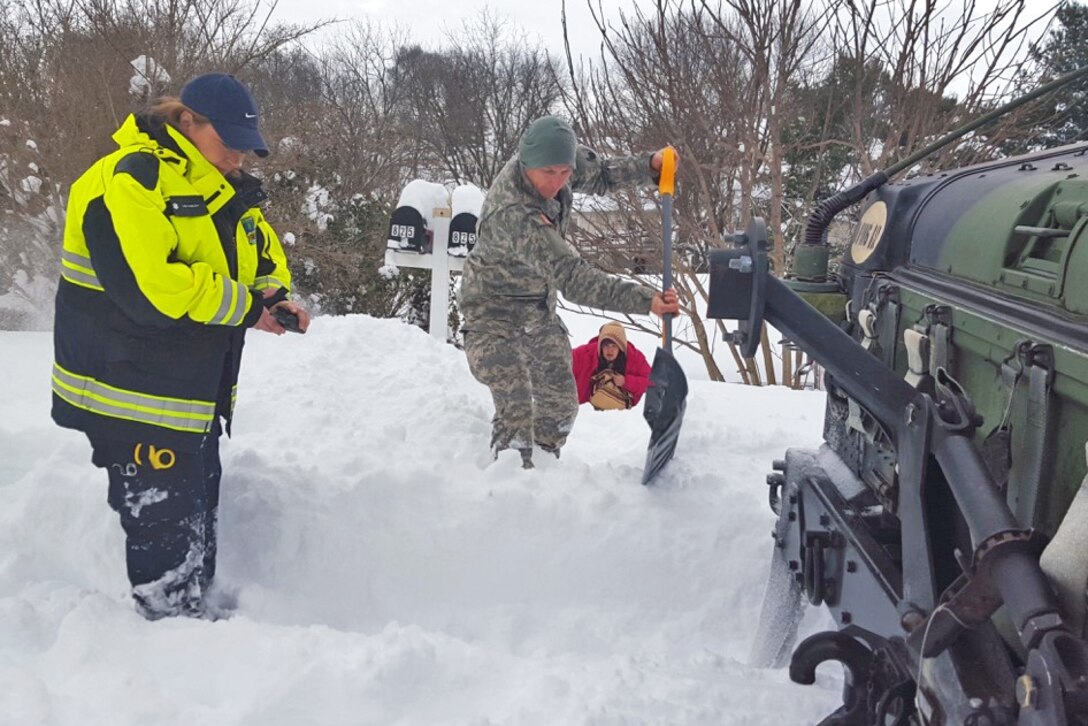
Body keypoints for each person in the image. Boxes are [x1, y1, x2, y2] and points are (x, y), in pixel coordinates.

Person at [51, 72, 310, 620]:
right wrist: (245, 307)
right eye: (229, 143)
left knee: (196, 510)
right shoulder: (131, 181)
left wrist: (272, 294)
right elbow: (155, 292)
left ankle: (198, 617)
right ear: (187, 121)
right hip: (132, 392)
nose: (238, 158)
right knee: (163, 530)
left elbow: (256, 252)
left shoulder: (216, 185)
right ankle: (168, 647)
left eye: (245, 147)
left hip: (188, 394)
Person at [460, 115, 680, 469]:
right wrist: (645, 300)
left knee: (561, 405)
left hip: (537, 309)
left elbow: (603, 173)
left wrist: (650, 165)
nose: (558, 181)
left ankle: (544, 468)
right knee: (516, 404)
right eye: (550, 173)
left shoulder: (560, 159)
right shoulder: (513, 214)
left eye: (565, 173)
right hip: (492, 315)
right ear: (527, 162)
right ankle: (508, 482)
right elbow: (572, 278)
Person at [571, 322, 652, 410]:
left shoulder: (635, 358)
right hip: (587, 414)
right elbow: (560, 362)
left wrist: (625, 381)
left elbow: (653, 383)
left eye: (614, 345)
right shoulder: (583, 354)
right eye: (606, 345)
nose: (610, 350)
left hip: (622, 416)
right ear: (600, 346)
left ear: (621, 347)